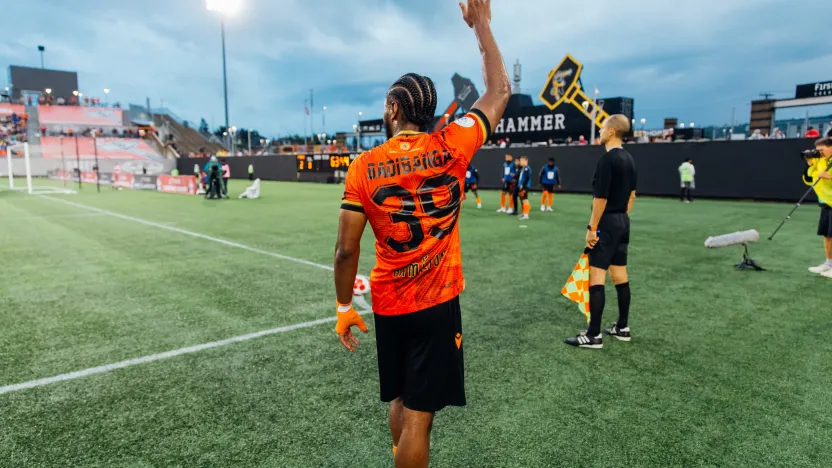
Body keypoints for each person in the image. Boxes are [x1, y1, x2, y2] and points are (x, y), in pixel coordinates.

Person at [332, 0, 510, 465]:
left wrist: (343, 307)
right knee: (419, 419)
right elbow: (500, 89)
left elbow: (344, 250)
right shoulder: (454, 143)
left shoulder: (363, 167)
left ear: (393, 108)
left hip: (389, 302)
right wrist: (482, 26)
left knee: (398, 400)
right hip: (436, 303)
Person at [565, 114, 637, 349]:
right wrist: (622, 219)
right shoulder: (629, 159)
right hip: (623, 221)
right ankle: (622, 327)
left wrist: (592, 228)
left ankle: (593, 335)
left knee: (597, 276)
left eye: (602, 128)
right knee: (620, 275)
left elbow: (601, 197)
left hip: (607, 222)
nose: (600, 132)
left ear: (612, 131)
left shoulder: (607, 159)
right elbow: (632, 196)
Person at [804, 138, 832, 277]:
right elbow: (809, 178)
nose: (819, 153)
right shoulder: (820, 160)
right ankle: (829, 263)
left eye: (822, 150)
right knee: (827, 235)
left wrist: (830, 176)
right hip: (826, 202)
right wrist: (810, 164)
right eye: (818, 151)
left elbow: (827, 176)